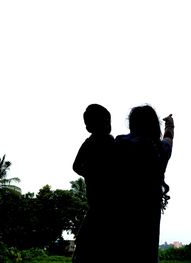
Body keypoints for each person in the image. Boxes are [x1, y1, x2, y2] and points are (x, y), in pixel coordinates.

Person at [114, 104, 174, 263]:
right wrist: (170, 124)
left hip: (120, 208)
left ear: (131, 123)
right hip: (149, 209)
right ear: (154, 125)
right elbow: (168, 137)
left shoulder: (120, 143)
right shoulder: (161, 149)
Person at [72, 103, 115, 263]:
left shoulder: (106, 143)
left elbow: (76, 166)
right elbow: (76, 166)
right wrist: (91, 174)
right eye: (106, 121)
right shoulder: (106, 143)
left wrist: (90, 174)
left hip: (102, 205)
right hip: (102, 205)